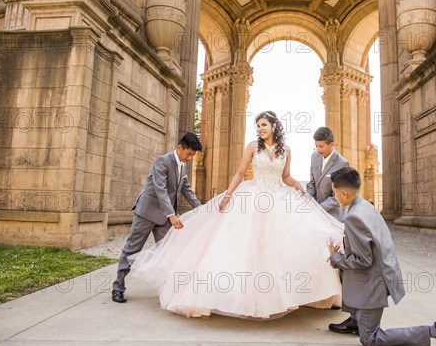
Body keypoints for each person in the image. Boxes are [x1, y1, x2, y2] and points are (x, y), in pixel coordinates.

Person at [128, 111, 344, 319]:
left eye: (264, 125)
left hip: (278, 197)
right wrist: (228, 195)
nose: (260, 129)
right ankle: (243, 298)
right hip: (252, 195)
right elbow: (240, 172)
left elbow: (286, 176)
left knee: (279, 246)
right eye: (258, 125)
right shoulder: (252, 147)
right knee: (244, 245)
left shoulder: (286, 149)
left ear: (274, 126)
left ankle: (283, 294)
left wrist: (298, 188)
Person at [328, 167, 436, 346]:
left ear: (344, 193)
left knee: (370, 339)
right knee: (366, 328)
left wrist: (336, 258)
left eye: (334, 192)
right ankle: (357, 321)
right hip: (382, 275)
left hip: (371, 285)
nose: (334, 196)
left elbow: (363, 260)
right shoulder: (366, 207)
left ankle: (435, 330)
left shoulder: (353, 217)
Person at [111, 132, 203, 303]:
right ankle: (118, 287)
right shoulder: (162, 161)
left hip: (164, 218)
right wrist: (171, 214)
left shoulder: (183, 167)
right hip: (147, 212)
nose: (190, 158)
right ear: (180, 148)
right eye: (189, 153)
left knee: (169, 251)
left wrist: (202, 210)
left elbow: (187, 190)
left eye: (192, 155)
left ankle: (167, 289)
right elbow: (160, 189)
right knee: (132, 248)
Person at [306, 127, 349, 221]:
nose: (318, 149)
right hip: (315, 214)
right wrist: (306, 200)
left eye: (321, 146)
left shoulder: (342, 163)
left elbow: (338, 196)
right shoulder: (314, 156)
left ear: (331, 144)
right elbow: (311, 184)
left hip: (333, 216)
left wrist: (318, 209)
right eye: (316, 146)